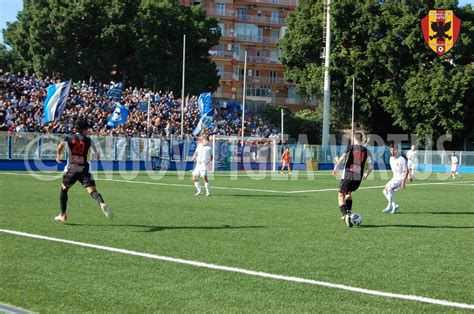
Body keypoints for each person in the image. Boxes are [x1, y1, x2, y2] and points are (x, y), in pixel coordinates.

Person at [54, 118, 112, 221]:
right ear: (84, 129)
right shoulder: (88, 140)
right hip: (85, 169)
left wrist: (58, 155)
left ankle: (63, 215)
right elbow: (96, 153)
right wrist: (97, 155)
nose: (88, 131)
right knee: (93, 191)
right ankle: (102, 203)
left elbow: (60, 146)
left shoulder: (68, 137)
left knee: (64, 189)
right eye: (87, 129)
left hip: (71, 169)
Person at [332, 133, 372, 227]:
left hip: (348, 176)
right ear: (361, 140)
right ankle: (348, 212)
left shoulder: (351, 147)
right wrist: (366, 174)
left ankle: (345, 215)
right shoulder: (366, 151)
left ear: (354, 138)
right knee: (349, 193)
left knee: (340, 195)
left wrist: (336, 167)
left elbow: (342, 158)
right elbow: (371, 166)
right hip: (358, 179)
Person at [383, 144, 408, 214]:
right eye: (391, 150)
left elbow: (406, 171)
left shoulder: (402, 159)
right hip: (394, 178)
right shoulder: (391, 159)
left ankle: (389, 206)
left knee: (389, 188)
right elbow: (394, 171)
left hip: (400, 179)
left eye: (393, 150)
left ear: (397, 150)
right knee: (384, 191)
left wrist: (403, 182)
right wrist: (392, 180)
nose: (392, 151)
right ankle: (395, 205)